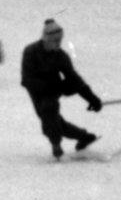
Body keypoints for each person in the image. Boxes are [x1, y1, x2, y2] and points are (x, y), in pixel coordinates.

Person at [20, 18, 103, 160]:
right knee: (51, 119)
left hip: (54, 89)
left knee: (49, 109)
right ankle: (84, 136)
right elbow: (28, 78)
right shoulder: (30, 51)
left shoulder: (61, 56)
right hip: (35, 89)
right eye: (55, 40)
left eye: (60, 40)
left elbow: (73, 78)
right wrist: (46, 86)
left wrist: (91, 98)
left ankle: (55, 144)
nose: (58, 43)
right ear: (46, 39)